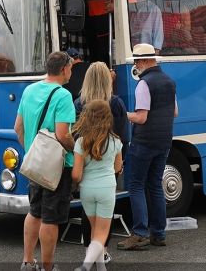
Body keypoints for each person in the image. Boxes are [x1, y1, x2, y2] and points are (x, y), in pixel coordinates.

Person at [15, 51, 76, 271]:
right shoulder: (63, 96)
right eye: (70, 68)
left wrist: (31, 151)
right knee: (51, 217)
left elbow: (18, 128)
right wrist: (76, 150)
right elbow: (63, 135)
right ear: (63, 69)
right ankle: (48, 267)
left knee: (35, 211)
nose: (71, 72)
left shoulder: (29, 90)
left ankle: (28, 261)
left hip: (35, 165)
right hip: (57, 168)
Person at [118, 43, 178, 251]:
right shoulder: (170, 82)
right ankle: (159, 233)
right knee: (155, 185)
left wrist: (121, 115)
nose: (136, 65)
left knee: (136, 185)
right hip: (164, 142)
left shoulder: (144, 84)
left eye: (136, 61)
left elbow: (141, 118)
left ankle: (140, 233)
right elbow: (175, 113)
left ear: (143, 61)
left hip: (144, 143)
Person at [75, 62, 130, 265]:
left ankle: (89, 250)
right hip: (109, 164)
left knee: (86, 209)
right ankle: (103, 252)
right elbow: (124, 136)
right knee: (105, 214)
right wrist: (120, 160)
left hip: (84, 162)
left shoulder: (78, 103)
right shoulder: (116, 103)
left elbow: (75, 135)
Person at [71, 99, 123, 271]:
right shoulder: (116, 141)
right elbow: (117, 168)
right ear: (108, 118)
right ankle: (85, 266)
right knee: (101, 235)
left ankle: (101, 268)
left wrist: (78, 179)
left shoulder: (81, 142)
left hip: (87, 189)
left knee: (94, 232)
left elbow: (77, 175)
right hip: (107, 188)